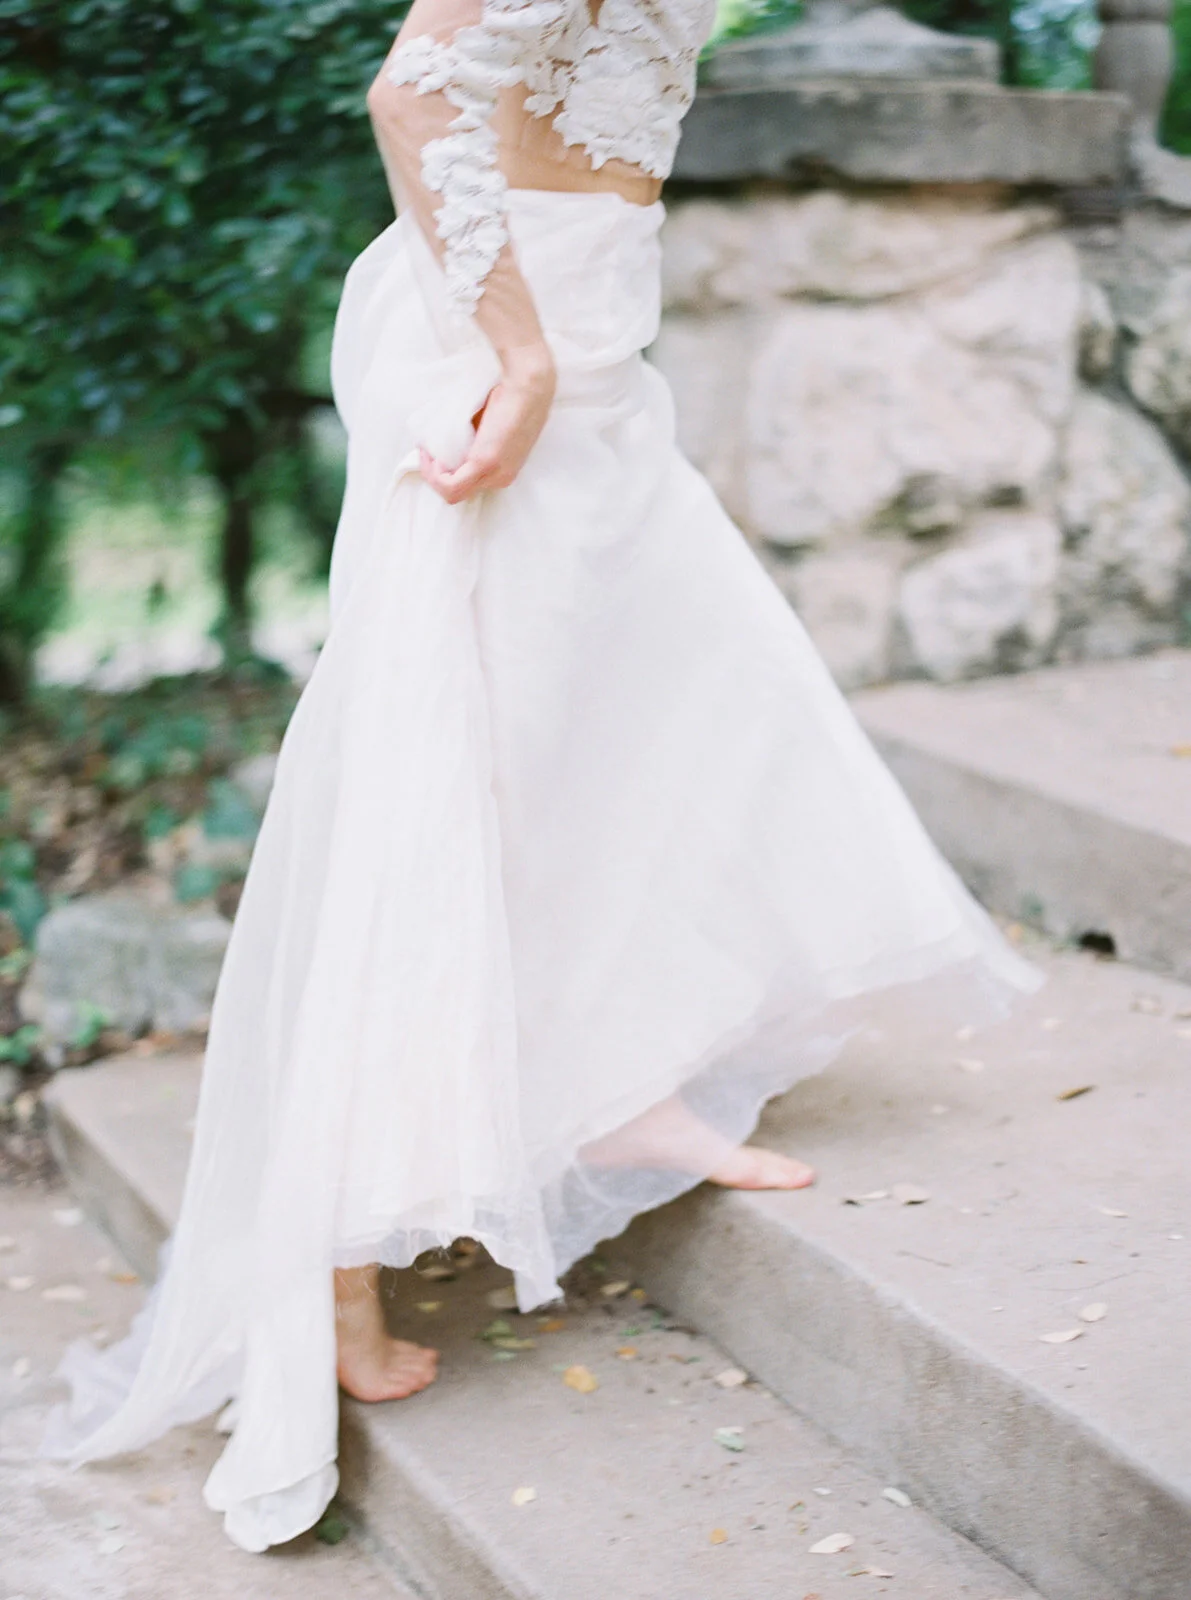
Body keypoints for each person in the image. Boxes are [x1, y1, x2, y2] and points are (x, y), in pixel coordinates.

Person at [44, 0, 1041, 1552]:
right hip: (500, 335)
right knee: (442, 776)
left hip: (587, 322)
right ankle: (328, 1271)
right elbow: (413, 91)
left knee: (626, 709)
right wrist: (515, 355)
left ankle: (619, 1079)